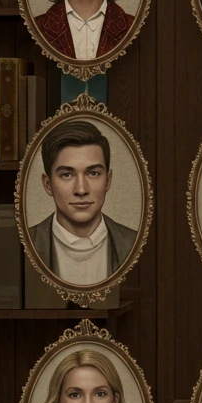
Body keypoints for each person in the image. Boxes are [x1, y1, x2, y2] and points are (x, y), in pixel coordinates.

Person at [28, 120, 137, 287]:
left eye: (93, 173)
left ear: (108, 181)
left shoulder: (134, 243)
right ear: (47, 184)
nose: (81, 189)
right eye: (66, 175)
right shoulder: (26, 244)